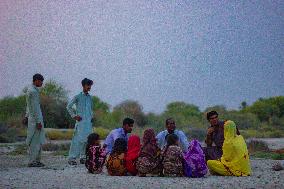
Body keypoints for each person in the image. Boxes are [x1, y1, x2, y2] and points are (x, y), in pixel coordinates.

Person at [67, 78, 94, 165]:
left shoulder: (90, 98)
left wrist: (91, 117)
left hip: (88, 123)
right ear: (83, 85)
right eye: (87, 85)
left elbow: (90, 109)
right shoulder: (78, 96)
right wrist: (74, 116)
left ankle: (83, 157)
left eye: (90, 85)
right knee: (77, 140)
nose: (89, 87)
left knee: (86, 140)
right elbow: (68, 106)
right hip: (81, 123)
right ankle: (72, 158)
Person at [25, 73, 46, 167]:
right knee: (35, 141)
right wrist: (38, 121)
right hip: (35, 119)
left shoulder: (32, 90)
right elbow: (34, 107)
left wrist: (26, 115)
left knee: (37, 140)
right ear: (36, 80)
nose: (42, 83)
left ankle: (36, 160)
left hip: (33, 118)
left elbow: (29, 106)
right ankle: (32, 161)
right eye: (41, 81)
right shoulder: (33, 91)